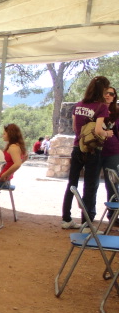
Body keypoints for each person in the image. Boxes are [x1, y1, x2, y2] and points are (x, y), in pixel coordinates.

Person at [61, 76, 112, 229]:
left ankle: (66, 218)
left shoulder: (78, 105)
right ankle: (86, 223)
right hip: (92, 150)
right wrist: (107, 133)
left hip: (78, 147)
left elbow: (76, 129)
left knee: (72, 183)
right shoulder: (101, 107)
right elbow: (98, 130)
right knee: (90, 186)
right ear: (102, 89)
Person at [100, 87, 119, 216]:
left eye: (111, 94)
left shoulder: (117, 112)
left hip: (113, 151)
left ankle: (112, 215)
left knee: (111, 183)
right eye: (105, 93)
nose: (108, 95)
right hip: (96, 150)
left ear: (114, 97)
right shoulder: (97, 109)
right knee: (92, 185)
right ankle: (89, 217)